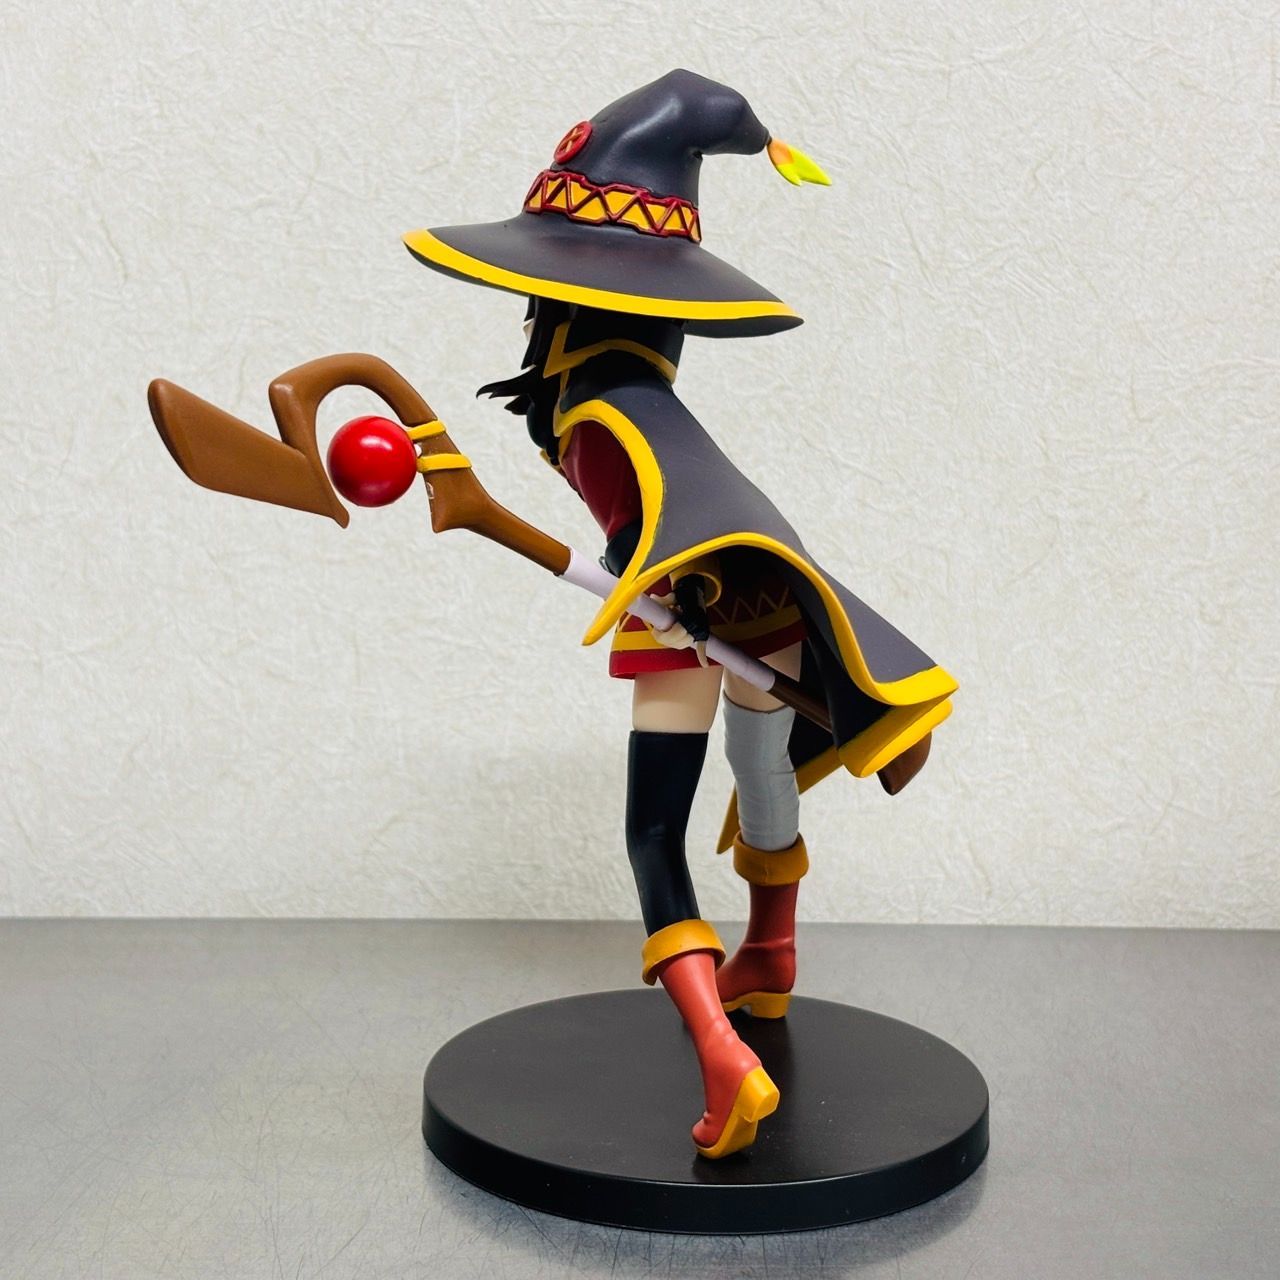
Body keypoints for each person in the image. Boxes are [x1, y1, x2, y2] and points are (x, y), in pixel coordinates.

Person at [405, 69, 956, 1159]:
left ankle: (719, 1050)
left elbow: (653, 521)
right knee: (759, 770)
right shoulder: (633, 390)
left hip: (681, 607)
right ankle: (771, 955)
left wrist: (653, 588)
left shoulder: (597, 404)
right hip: (759, 604)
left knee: (653, 830)